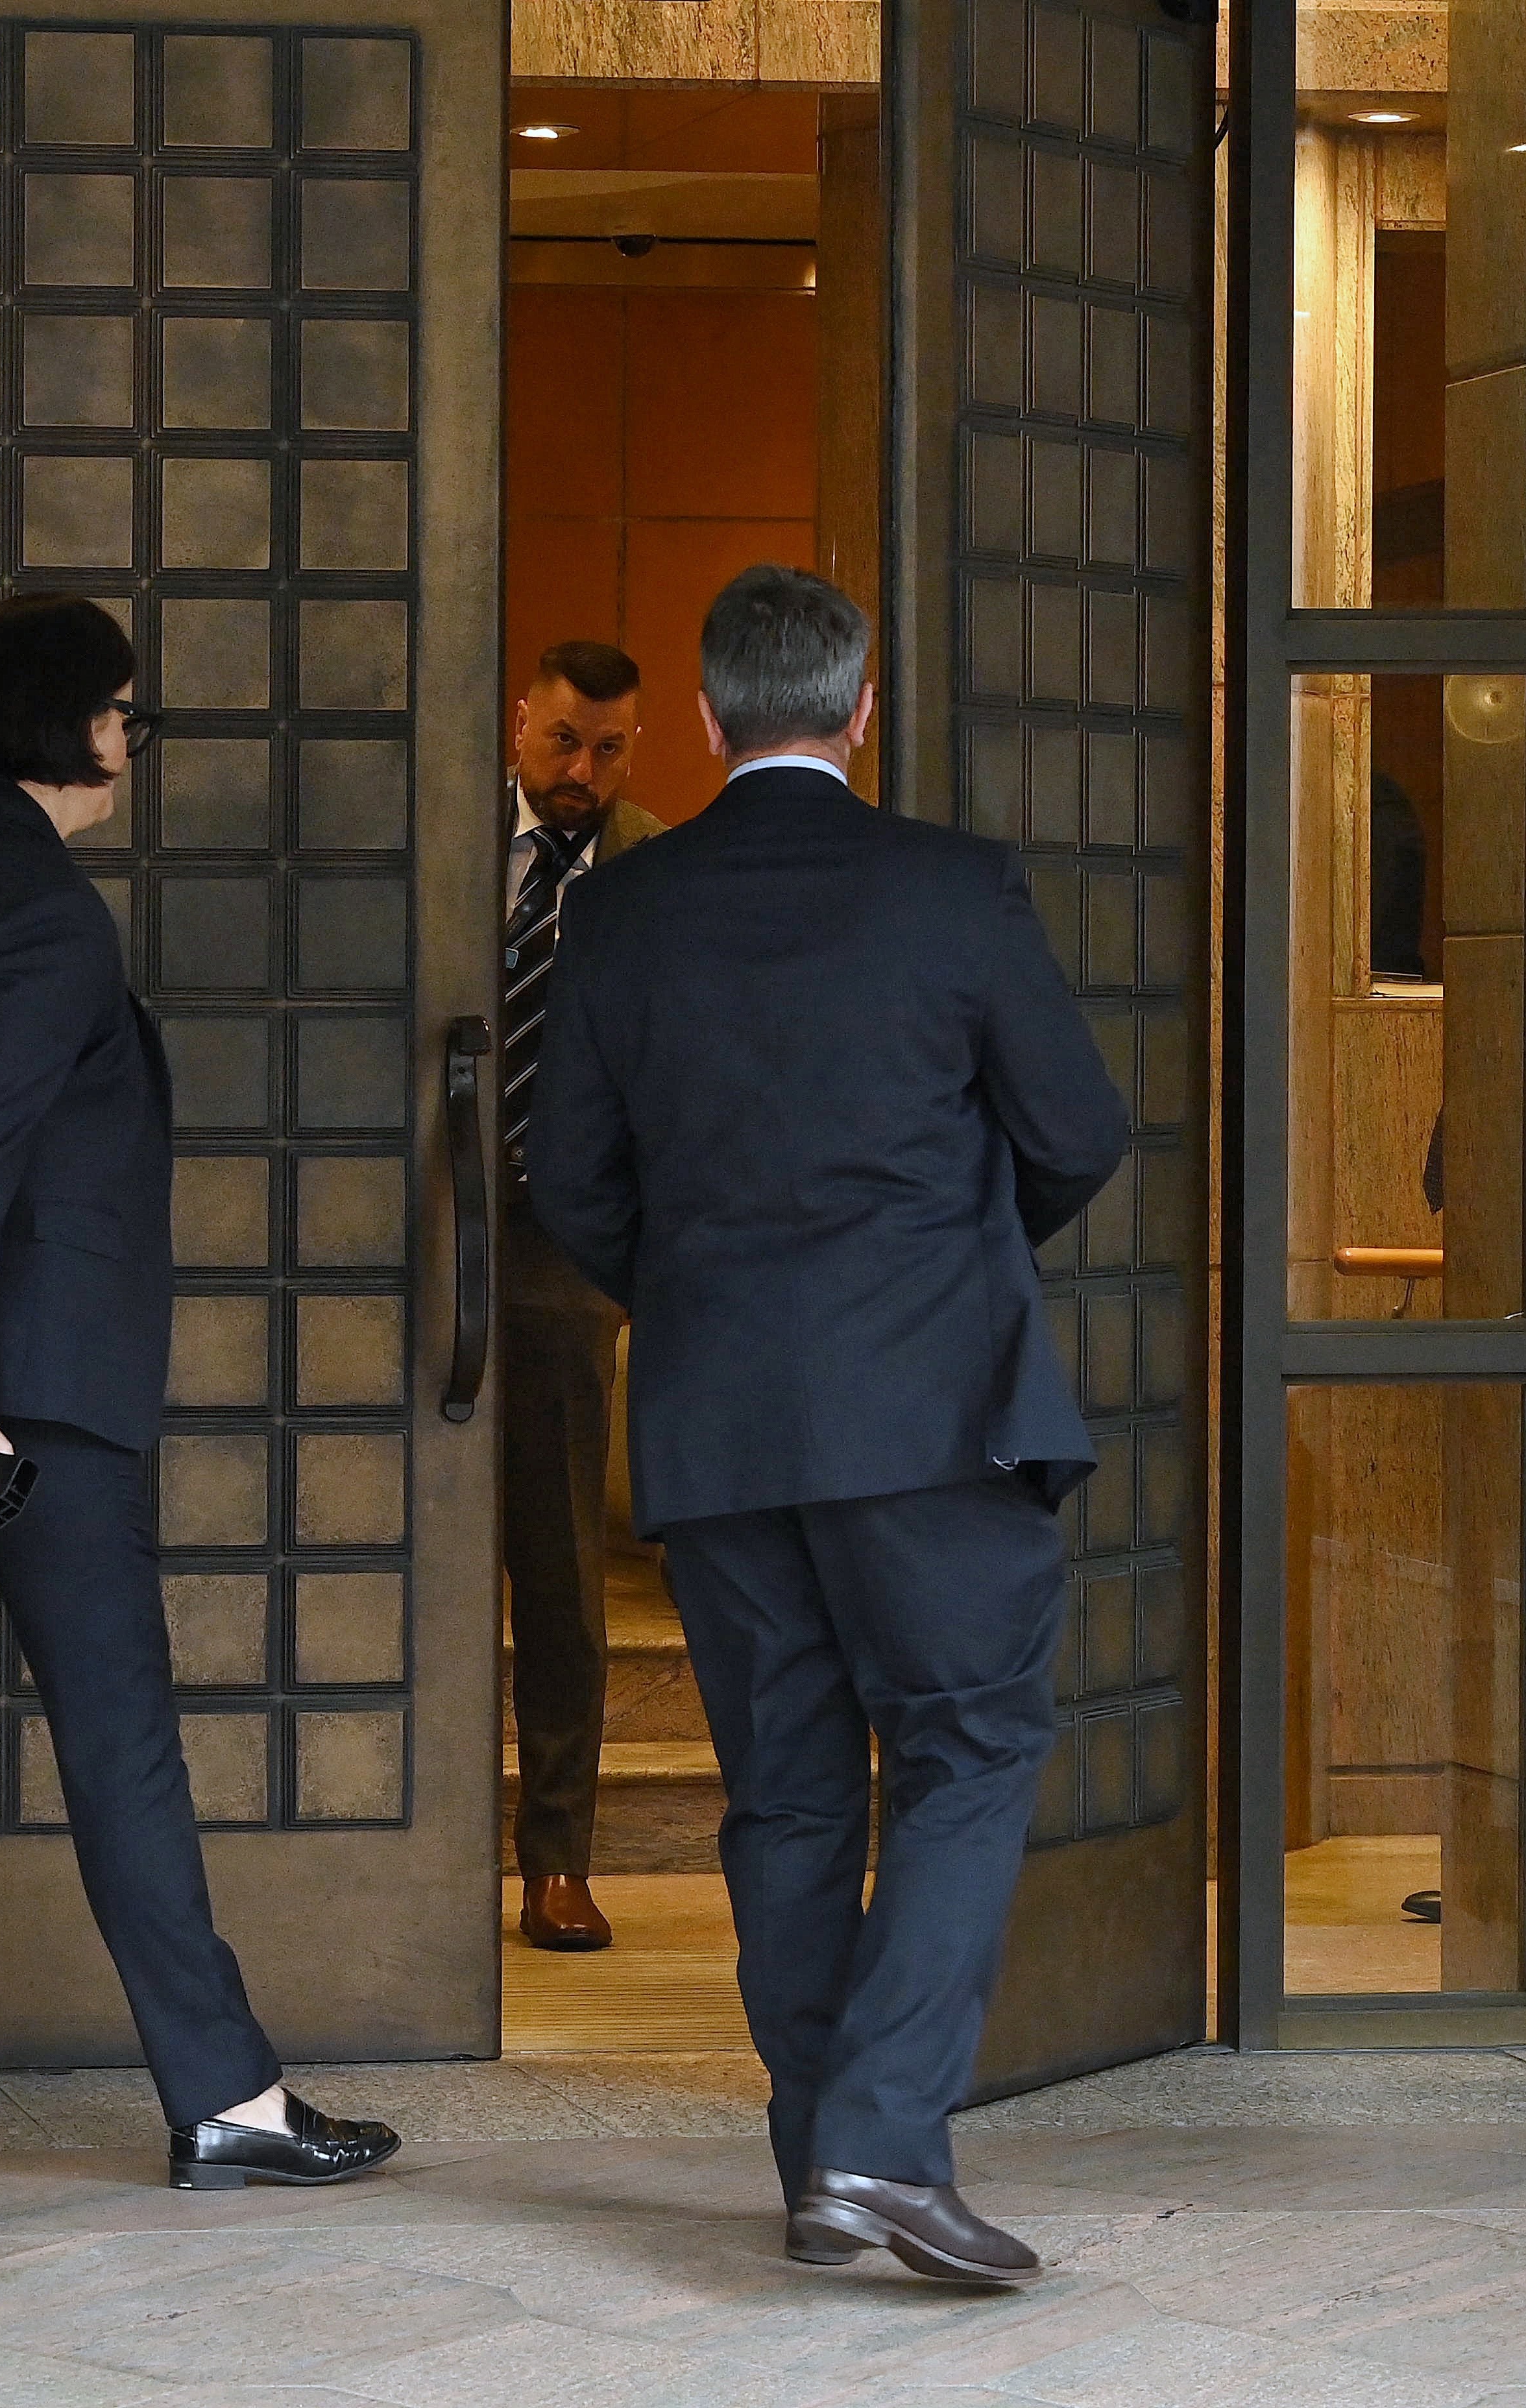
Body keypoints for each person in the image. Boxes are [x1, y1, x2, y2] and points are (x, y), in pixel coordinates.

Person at [527, 565, 1127, 2286]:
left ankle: (825, 2162)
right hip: (934, 1415)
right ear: (864, 712)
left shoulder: (626, 912)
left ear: (709, 721)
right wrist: (945, 1260)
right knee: (969, 1752)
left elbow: (568, 1180)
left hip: (722, 1425)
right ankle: (877, 2145)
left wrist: (713, 1298)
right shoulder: (952, 888)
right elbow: (1077, 1128)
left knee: (787, 1799)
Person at [0, 592, 402, 2195]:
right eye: (127, 710)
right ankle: (231, 2102)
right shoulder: (46, 912)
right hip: (4, 1407)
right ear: (65, 720)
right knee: (121, 1742)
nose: (134, 738)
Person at [495, 640, 664, 1952]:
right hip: (421, 1221)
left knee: (559, 1561)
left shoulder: (654, 866)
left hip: (566, 1237)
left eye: (608, 749)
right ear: (523, 720)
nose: (580, 774)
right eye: (563, 742)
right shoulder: (447, 834)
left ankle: (558, 1854)